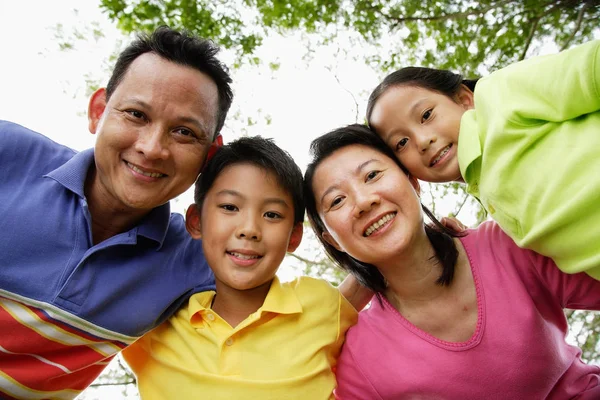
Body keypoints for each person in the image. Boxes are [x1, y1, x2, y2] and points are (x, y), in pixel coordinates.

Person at [0, 26, 233, 398]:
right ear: (98, 111)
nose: (153, 148)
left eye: (184, 132)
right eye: (137, 114)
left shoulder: (198, 259)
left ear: (209, 156)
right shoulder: (7, 154)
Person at [304, 124, 600, 399]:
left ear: (412, 181)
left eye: (372, 175)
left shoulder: (507, 245)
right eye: (337, 201)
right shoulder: (360, 358)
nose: (364, 201)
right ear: (332, 240)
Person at [123, 136, 359, 399]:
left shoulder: (323, 305)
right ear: (196, 221)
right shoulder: (152, 321)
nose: (249, 229)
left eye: (272, 214)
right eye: (229, 207)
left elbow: (383, 271)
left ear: (294, 236)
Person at [365, 40, 600, 280]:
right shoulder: (485, 190)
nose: (422, 141)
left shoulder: (499, 97)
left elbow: (592, 68)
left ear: (464, 99)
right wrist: (464, 245)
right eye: (401, 143)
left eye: (426, 115)